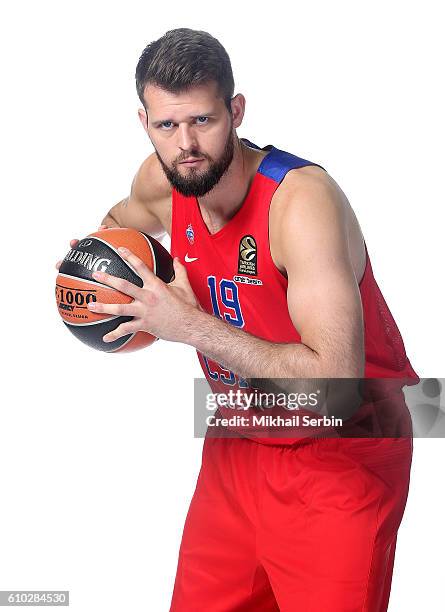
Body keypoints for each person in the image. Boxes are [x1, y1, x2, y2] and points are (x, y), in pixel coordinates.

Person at [56, 28, 419, 611]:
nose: (186, 145)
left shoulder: (301, 202)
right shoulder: (159, 182)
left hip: (345, 445)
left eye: (203, 120)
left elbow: (335, 384)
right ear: (144, 122)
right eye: (166, 126)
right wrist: (102, 275)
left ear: (236, 110)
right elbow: (117, 229)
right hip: (240, 432)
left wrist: (187, 324)